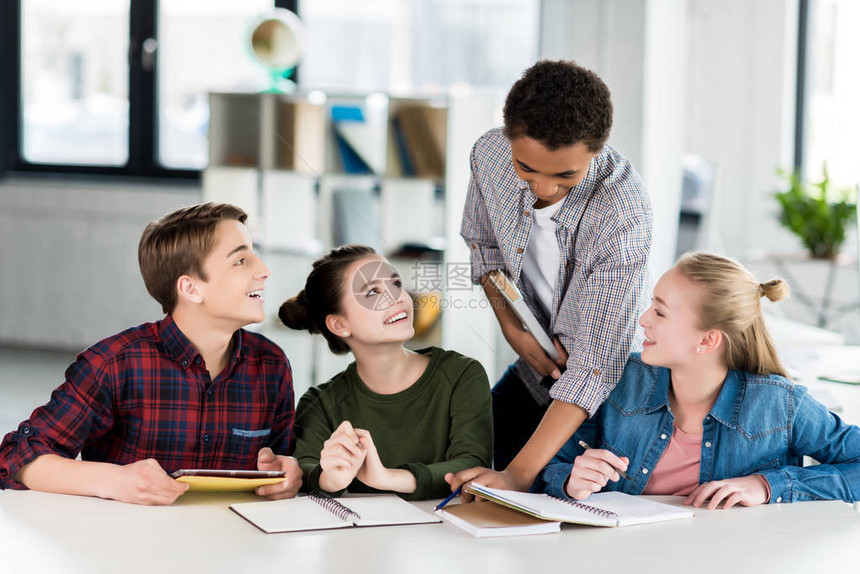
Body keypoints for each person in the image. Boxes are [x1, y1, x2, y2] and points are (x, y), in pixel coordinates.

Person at [0, 203, 301, 505]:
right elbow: (16, 457)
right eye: (241, 260)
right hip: (128, 545)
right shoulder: (114, 363)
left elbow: (282, 463)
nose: (264, 270)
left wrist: (287, 474)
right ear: (191, 288)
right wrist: (114, 480)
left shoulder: (272, 365)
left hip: (235, 546)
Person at [451, 59, 652, 495]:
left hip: (610, 397)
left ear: (597, 151)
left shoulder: (622, 213)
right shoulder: (489, 155)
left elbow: (596, 367)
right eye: (527, 168)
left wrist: (517, 475)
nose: (543, 188)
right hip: (534, 367)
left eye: (566, 175)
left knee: (555, 505)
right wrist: (512, 327)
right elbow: (484, 247)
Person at [537, 252, 860, 508]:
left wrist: (769, 486)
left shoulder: (780, 404)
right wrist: (569, 479)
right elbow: (549, 465)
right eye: (651, 304)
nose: (643, 319)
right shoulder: (618, 378)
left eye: (660, 312)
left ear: (707, 341)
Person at [280, 245, 492, 500]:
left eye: (396, 284)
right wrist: (330, 477)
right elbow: (305, 469)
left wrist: (387, 477)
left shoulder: (462, 375)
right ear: (340, 324)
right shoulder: (319, 403)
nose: (398, 297)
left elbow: (472, 465)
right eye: (372, 292)